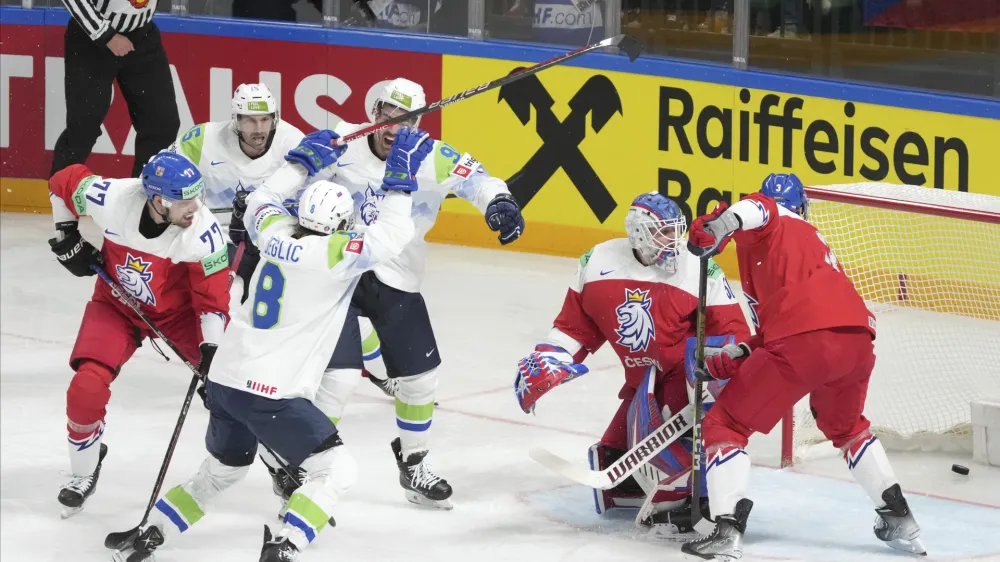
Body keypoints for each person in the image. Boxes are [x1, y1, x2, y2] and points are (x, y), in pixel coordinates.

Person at [109, 127, 421, 562]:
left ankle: (152, 534)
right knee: (336, 470)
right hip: (270, 392)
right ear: (339, 225)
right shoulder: (338, 255)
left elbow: (262, 198)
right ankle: (286, 545)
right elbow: (393, 233)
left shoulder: (272, 233)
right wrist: (400, 182)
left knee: (222, 472)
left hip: (225, 381)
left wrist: (300, 164)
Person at [259, 77, 525, 510]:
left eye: (406, 120)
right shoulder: (343, 139)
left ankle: (413, 463)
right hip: (340, 272)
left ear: (418, 124)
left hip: (396, 276)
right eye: (387, 116)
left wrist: (500, 202)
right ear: (374, 113)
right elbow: (300, 179)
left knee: (421, 379)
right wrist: (273, 204)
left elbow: (480, 181)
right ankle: (298, 464)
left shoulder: (430, 155)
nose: (394, 127)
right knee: (338, 379)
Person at [682, 173, 925, 559]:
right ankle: (900, 517)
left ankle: (727, 532)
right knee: (847, 427)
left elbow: (759, 208)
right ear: (804, 207)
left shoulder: (769, 219)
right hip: (856, 340)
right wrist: (738, 354)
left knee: (725, 425)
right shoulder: (811, 241)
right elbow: (774, 330)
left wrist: (724, 223)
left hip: (804, 342)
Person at [514, 192, 749, 529]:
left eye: (677, 230)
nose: (675, 241)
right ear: (639, 233)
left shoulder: (699, 266)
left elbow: (732, 334)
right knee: (612, 456)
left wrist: (717, 384)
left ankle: (695, 499)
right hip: (643, 382)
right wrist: (551, 356)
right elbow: (575, 327)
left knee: (673, 448)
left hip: (686, 379)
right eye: (664, 233)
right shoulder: (598, 261)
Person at [47, 151, 230, 518]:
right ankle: (84, 471)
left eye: (196, 196)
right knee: (86, 388)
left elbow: (212, 303)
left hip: (178, 315)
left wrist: (212, 353)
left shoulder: (204, 235)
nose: (195, 207)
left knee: (233, 387)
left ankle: (280, 467)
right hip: (116, 303)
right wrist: (67, 236)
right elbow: (60, 182)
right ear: (158, 200)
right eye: (184, 200)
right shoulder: (113, 199)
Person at [166, 83, 305, 303]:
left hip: (270, 241)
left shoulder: (294, 143)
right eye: (250, 121)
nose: (259, 129)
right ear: (236, 120)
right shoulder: (201, 139)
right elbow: (160, 172)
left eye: (265, 120)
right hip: (214, 238)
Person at [53, 0, 179, 178]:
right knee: (83, 129)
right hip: (91, 40)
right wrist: (105, 34)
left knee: (162, 124)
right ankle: (61, 191)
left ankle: (146, 192)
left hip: (142, 36)